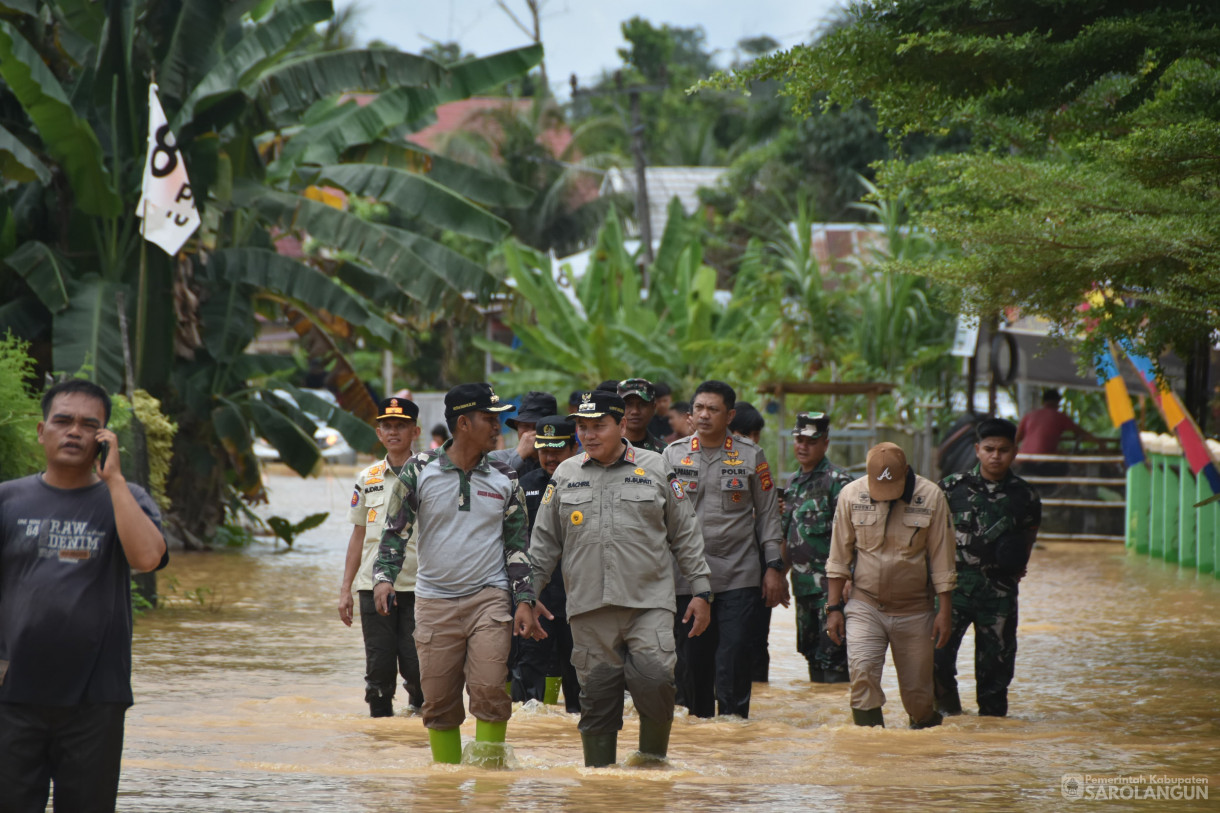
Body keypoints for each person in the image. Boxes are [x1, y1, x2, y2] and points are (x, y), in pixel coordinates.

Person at [0, 379, 168, 813]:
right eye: (63, 421)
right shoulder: (7, 499)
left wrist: (113, 481)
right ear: (42, 431)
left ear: (104, 438)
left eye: (88, 425)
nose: (74, 431)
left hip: (96, 698)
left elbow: (148, 558)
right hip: (12, 694)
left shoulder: (127, 499)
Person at [529, 390, 712, 766]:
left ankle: (651, 772)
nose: (589, 435)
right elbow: (544, 543)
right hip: (589, 607)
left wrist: (701, 591)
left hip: (649, 603)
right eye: (583, 427)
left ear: (622, 425)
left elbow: (686, 533)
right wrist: (527, 597)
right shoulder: (565, 474)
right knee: (595, 700)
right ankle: (602, 788)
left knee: (657, 680)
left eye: (599, 426)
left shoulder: (657, 467)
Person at [374, 383, 543, 764]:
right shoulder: (419, 470)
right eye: (490, 418)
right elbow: (395, 531)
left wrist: (525, 600)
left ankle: (489, 784)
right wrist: (383, 577)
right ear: (464, 423)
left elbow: (517, 545)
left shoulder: (505, 476)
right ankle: (446, 789)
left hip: (490, 597)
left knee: (488, 689)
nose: (498, 425)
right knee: (438, 700)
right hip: (434, 601)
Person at [662, 380, 786, 719]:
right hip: (685, 579)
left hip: (737, 575)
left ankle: (733, 739)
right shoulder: (672, 455)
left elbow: (768, 514)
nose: (704, 415)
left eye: (712, 409)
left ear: (729, 414)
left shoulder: (750, 454)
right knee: (691, 667)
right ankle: (702, 748)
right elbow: (658, 516)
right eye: (699, 408)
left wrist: (774, 566)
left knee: (732, 663)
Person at [825, 442, 955, 729]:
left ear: (906, 472)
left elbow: (943, 560)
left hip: (915, 610)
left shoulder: (931, 496)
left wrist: (944, 612)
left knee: (918, 696)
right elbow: (838, 557)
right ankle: (872, 755)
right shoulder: (851, 495)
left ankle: (922, 753)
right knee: (862, 676)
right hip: (865, 604)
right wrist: (833, 608)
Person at [935, 418, 1041, 717]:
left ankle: (992, 744)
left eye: (1004, 450)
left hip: (999, 595)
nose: (996, 456)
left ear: (1015, 452)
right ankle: (949, 721)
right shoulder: (951, 488)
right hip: (952, 592)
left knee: (995, 675)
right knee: (935, 661)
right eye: (990, 449)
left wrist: (1016, 569)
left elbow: (1028, 538)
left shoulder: (1026, 495)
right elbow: (931, 537)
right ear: (977, 450)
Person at [338, 396, 425, 717]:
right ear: (378, 433)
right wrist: (345, 589)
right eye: (386, 426)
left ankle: (419, 726)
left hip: (420, 586)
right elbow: (358, 535)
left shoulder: (430, 474)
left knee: (418, 668)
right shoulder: (368, 478)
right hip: (371, 586)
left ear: (415, 431)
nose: (393, 432)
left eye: (400, 426)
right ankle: (381, 740)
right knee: (379, 669)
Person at [512, 415, 581, 712]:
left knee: (580, 684)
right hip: (536, 598)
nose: (550, 457)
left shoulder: (587, 482)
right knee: (529, 690)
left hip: (579, 600)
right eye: (544, 450)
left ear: (573, 447)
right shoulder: (522, 485)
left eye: (557, 450)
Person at [781, 412, 855, 683]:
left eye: (810, 441)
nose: (803, 446)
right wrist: (778, 575)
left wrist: (850, 578)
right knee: (812, 656)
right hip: (803, 589)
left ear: (825, 443)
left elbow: (852, 537)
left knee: (834, 661)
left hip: (831, 592)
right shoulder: (792, 483)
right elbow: (788, 535)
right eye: (798, 439)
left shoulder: (839, 482)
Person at [728, 401, 773, 682]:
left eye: (756, 434)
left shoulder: (758, 461)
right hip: (720, 568)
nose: (752, 441)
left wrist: (775, 569)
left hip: (754, 567)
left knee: (757, 639)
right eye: (746, 434)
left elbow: (771, 519)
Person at [490, 390, 557, 478]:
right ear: (517, 427)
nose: (530, 433)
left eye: (537, 427)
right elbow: (492, 484)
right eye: (525, 426)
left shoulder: (561, 457)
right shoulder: (498, 457)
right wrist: (519, 454)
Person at [1016, 389, 1096, 457]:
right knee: (1070, 460)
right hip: (1044, 461)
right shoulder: (1059, 416)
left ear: (1043, 402)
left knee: (1063, 454)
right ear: (1058, 402)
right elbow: (1080, 432)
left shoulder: (1029, 415)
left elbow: (1016, 439)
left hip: (1024, 458)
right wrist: (1099, 442)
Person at [618, 378, 667, 453]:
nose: (635, 411)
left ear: (653, 408)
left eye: (642, 405)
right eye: (628, 404)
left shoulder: (664, 452)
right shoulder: (607, 449)